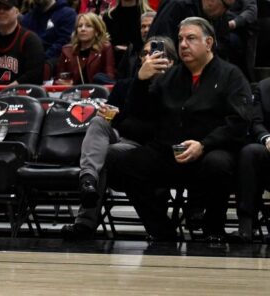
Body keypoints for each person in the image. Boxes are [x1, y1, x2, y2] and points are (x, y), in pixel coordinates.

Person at [107, 17, 250, 242]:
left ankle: (214, 230)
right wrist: (141, 80)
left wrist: (204, 145)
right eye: (181, 39)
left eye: (191, 38)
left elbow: (239, 121)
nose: (183, 44)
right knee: (124, 163)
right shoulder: (170, 76)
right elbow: (138, 114)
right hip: (170, 150)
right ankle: (162, 231)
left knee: (218, 164)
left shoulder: (231, 75)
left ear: (209, 42)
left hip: (210, 150)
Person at [62, 35, 176, 240]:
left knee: (105, 154)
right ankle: (87, 180)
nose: (149, 57)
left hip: (148, 148)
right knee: (98, 122)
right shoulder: (125, 85)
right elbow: (118, 121)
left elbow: (160, 127)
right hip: (121, 138)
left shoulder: (175, 87)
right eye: (145, 54)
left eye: (157, 53)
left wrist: (121, 117)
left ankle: (85, 222)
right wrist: (109, 114)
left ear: (171, 61)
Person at [21, 0, 77, 76]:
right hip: (31, 64)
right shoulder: (27, 18)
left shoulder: (68, 14)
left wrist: (40, 59)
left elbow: (63, 43)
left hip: (55, 64)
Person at [236, 77, 270, 242]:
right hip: (269, 150)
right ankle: (247, 223)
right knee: (249, 152)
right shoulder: (263, 87)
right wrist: (267, 138)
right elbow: (256, 122)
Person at [51, 13, 116, 85]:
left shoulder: (105, 48)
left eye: (88, 26)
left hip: (96, 93)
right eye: (80, 26)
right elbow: (57, 80)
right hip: (72, 93)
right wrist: (63, 83)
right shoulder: (67, 50)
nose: (83, 29)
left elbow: (109, 77)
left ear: (97, 31)